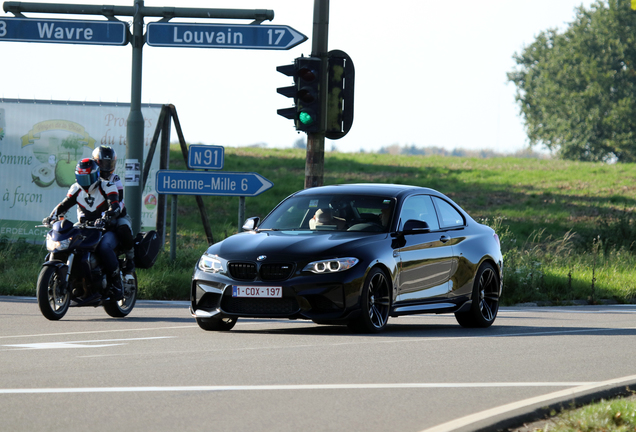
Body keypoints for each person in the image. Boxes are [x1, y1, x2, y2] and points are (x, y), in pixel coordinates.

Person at [43, 158, 123, 300]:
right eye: (82, 178)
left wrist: (107, 217)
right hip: (85, 227)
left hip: (107, 228)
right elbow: (63, 205)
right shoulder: (76, 188)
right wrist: (51, 217)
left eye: (88, 178)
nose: (85, 182)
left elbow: (115, 205)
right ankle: (76, 279)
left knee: (104, 247)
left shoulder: (107, 186)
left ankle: (116, 282)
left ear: (97, 175)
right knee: (69, 243)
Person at [92, 145, 135, 276]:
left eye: (109, 163)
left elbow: (119, 198)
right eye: (103, 163)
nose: (106, 166)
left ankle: (130, 257)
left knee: (123, 227)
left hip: (117, 215)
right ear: (96, 163)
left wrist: (112, 213)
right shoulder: (90, 178)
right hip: (96, 217)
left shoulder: (114, 178)